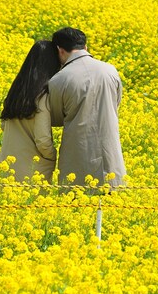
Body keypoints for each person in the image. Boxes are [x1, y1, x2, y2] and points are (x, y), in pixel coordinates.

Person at [48, 27, 126, 192]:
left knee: (78, 203)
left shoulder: (59, 79)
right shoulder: (110, 70)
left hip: (78, 157)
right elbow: (116, 103)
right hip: (110, 155)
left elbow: (55, 118)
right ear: (85, 47)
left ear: (60, 51)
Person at [0, 40, 60, 183]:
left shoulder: (15, 92)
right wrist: (53, 156)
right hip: (32, 172)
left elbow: (3, 126)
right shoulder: (42, 96)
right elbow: (42, 140)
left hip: (6, 167)